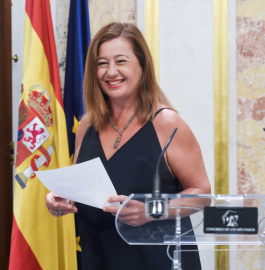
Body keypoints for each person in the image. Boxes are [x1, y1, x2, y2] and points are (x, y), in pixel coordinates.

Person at [46, 22, 211, 270]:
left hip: (158, 260)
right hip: (97, 256)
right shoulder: (87, 124)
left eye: (121, 61)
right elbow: (82, 188)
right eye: (102, 63)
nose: (111, 72)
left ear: (142, 66)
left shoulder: (166, 123)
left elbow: (202, 193)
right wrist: (58, 201)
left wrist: (151, 211)